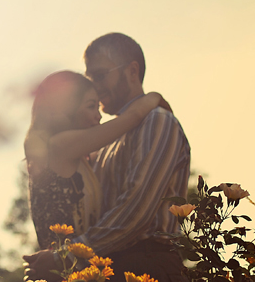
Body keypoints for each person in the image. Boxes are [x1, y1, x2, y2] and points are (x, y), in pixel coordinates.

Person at [24, 33, 191, 282]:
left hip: (147, 264)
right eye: (90, 78)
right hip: (104, 264)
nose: (95, 85)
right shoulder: (102, 141)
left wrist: (65, 256)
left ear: (132, 72)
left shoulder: (156, 121)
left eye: (101, 75)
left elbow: (136, 212)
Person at [25, 71, 170, 249]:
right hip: (64, 267)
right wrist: (155, 97)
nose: (99, 115)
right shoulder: (60, 146)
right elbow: (132, 117)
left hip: (74, 264)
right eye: (91, 106)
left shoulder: (71, 153)